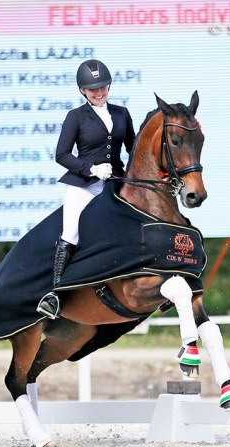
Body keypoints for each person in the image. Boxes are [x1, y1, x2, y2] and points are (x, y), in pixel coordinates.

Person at [37, 59, 136, 319]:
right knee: (71, 233)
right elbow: (61, 154)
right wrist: (91, 169)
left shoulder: (122, 113)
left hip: (115, 183)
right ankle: (55, 294)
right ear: (83, 90)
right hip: (85, 184)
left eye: (103, 86)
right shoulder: (76, 117)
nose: (99, 92)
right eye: (93, 89)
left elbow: (133, 149)